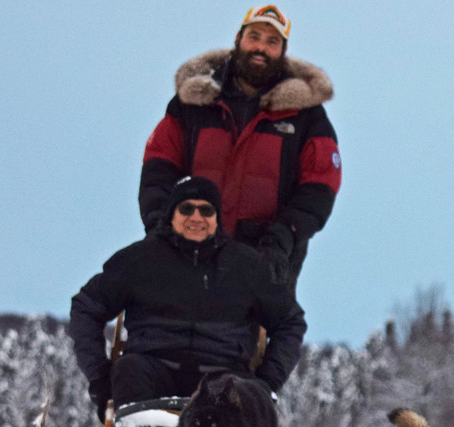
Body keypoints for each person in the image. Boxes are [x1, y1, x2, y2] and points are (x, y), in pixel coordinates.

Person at [70, 176, 307, 421]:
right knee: (129, 371)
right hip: (151, 369)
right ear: (171, 214)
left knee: (244, 395)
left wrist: (267, 382)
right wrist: (99, 378)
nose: (196, 217)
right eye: (186, 208)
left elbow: (290, 322)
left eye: (206, 210)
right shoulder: (140, 260)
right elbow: (86, 307)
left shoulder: (245, 265)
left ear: (217, 218)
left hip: (222, 376)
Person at [139, 6, 341, 288]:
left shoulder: (307, 116)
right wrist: (160, 225)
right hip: (184, 258)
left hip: (263, 268)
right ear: (238, 39)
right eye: (254, 36)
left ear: (283, 51)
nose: (261, 48)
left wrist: (283, 237)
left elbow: (320, 186)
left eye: (272, 42)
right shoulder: (193, 103)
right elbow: (159, 166)